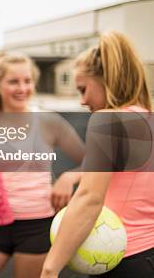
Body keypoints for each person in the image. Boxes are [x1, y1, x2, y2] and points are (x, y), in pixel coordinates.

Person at [0, 51, 85, 278]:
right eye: (14, 81)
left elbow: (94, 163)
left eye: (28, 81)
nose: (22, 88)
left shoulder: (48, 121)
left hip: (38, 226)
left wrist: (68, 178)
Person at [41, 31, 154, 278]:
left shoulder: (107, 120)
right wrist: (73, 176)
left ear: (107, 81)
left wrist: (50, 268)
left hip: (125, 262)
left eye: (83, 89)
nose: (82, 101)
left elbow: (89, 199)